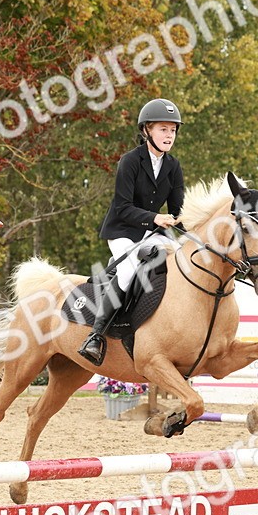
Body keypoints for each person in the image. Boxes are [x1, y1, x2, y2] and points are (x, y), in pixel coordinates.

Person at [78, 98, 185, 366]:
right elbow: (123, 207)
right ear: (147, 130)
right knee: (128, 270)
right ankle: (96, 335)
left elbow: (177, 210)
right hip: (122, 230)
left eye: (172, 130)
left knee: (181, 261)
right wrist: (156, 218)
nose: (168, 135)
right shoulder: (130, 162)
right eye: (163, 129)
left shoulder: (173, 167)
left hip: (152, 232)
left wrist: (196, 225)